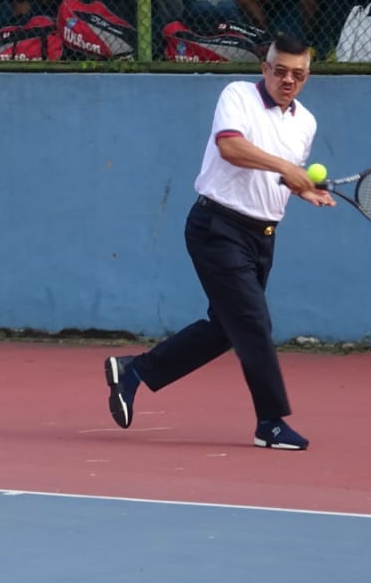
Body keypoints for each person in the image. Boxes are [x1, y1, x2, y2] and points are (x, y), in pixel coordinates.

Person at [103, 33, 335, 450]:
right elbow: (231, 147)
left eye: (298, 74)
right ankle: (270, 423)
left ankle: (134, 372)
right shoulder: (238, 95)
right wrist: (286, 167)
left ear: (307, 76)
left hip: (263, 237)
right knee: (254, 323)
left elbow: (281, 175)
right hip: (217, 227)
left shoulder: (306, 122)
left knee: (226, 329)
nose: (288, 80)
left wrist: (303, 188)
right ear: (264, 69)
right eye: (279, 71)